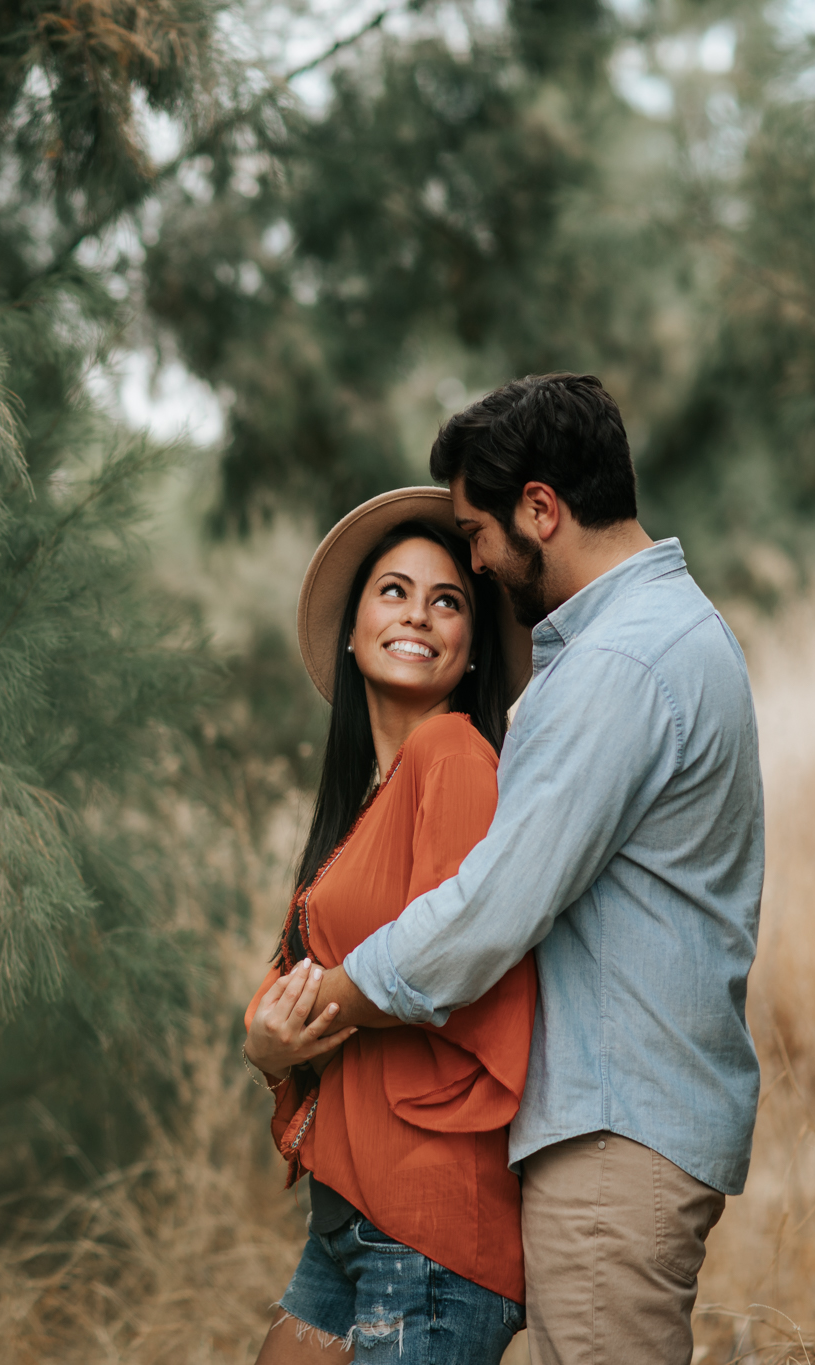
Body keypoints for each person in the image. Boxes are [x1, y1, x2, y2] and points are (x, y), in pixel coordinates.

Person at [313, 374, 767, 1365]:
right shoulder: (657, 636)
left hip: (615, 1136)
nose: (475, 559)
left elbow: (489, 910)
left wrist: (335, 1000)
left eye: (476, 533)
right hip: (629, 1122)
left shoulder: (619, 665)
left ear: (539, 509)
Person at [242, 490, 537, 1363]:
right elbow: (290, 972)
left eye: (447, 600)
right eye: (394, 591)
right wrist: (267, 1044)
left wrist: (291, 1030)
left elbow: (440, 962)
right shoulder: (361, 807)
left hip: (429, 1227)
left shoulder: (453, 756)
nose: (418, 614)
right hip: (347, 1219)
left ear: (472, 646)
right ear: (351, 625)